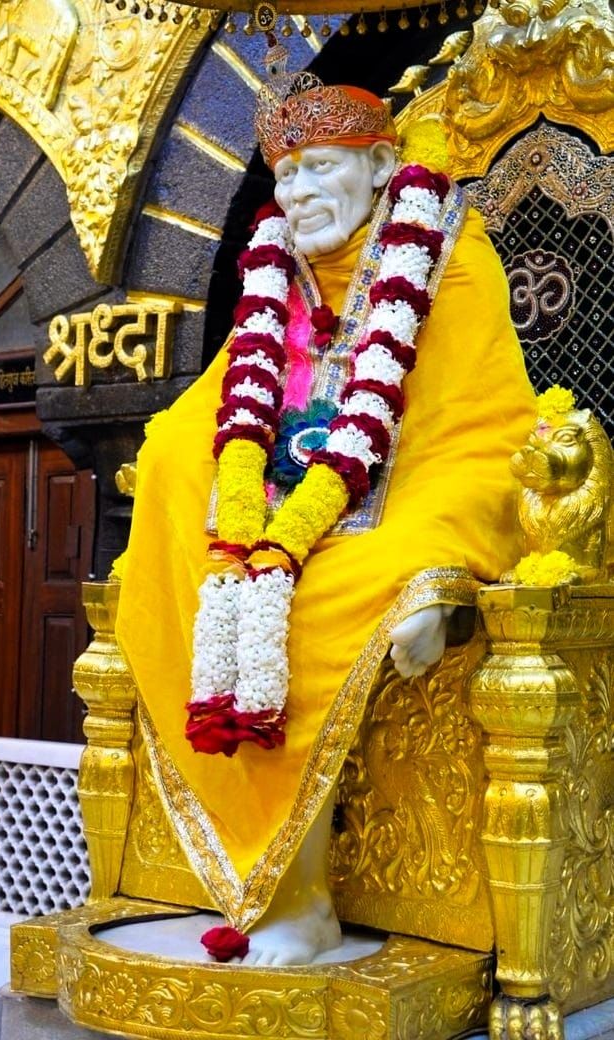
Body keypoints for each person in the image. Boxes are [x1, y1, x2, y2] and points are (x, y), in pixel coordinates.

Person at [115, 71, 536, 967]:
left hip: (412, 497)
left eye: (318, 169)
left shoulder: (448, 251)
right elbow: (224, 407)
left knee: (306, 611)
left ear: (382, 164)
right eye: (284, 176)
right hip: (274, 517)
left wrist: (434, 572)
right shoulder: (279, 272)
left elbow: (478, 426)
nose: (296, 194)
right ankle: (245, 876)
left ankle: (301, 903)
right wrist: (182, 472)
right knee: (207, 575)